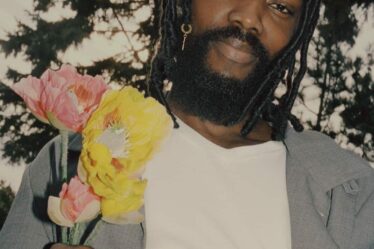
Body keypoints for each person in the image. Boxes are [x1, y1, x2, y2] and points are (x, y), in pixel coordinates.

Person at [1, 0, 374, 248]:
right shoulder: (70, 162)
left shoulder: (349, 192)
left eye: (280, 6)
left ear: (295, 39)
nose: (249, 17)